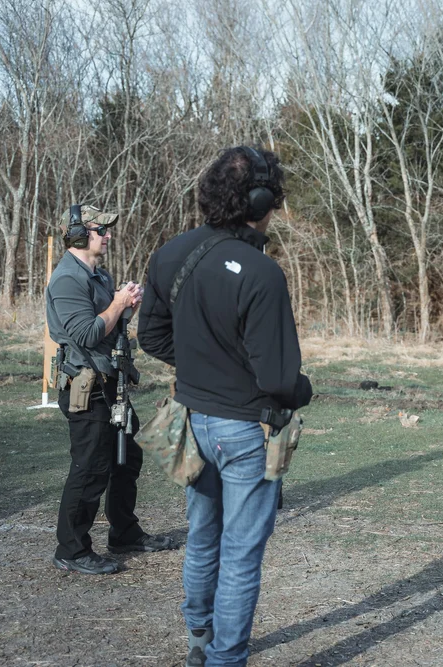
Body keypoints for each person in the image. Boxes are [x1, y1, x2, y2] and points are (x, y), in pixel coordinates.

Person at [138, 146, 313, 666]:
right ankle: (225, 658)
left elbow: (151, 335)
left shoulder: (169, 253)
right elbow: (279, 379)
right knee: (240, 554)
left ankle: (200, 634)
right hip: (245, 431)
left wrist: (199, 366)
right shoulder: (262, 273)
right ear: (260, 200)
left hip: (191, 421)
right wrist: (304, 389)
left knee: (203, 535)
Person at [46, 205, 174, 576]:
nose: (108, 236)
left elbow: (109, 329)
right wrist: (118, 303)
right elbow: (85, 334)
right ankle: (71, 548)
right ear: (81, 234)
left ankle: (124, 532)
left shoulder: (98, 275)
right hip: (87, 388)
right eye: (102, 230)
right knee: (91, 468)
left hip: (110, 383)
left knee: (126, 460)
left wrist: (126, 307)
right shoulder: (68, 279)